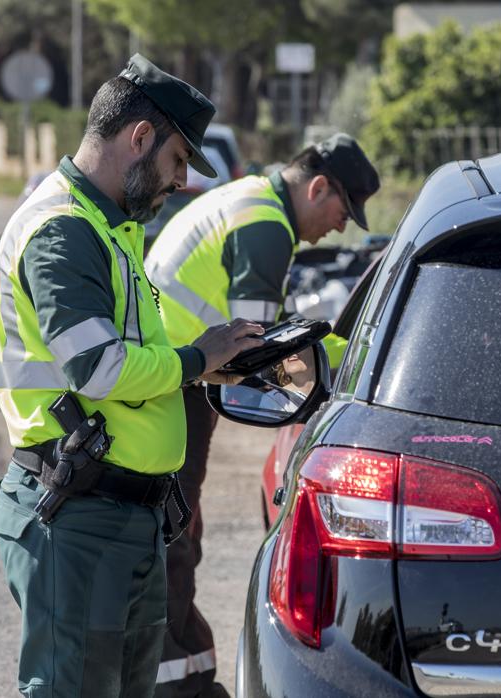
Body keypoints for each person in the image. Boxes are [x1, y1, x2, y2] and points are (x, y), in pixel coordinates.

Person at [0, 53, 266, 698]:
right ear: (139, 137)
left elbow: (144, 352)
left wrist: (209, 366)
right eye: (176, 161)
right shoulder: (64, 231)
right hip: (78, 518)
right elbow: (98, 366)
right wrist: (198, 359)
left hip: (123, 518)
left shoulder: (112, 229)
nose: (179, 182)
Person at [144, 133, 379, 697]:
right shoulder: (267, 226)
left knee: (179, 531)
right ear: (318, 186)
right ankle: (175, 686)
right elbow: (260, 353)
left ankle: (182, 674)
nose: (341, 228)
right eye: (342, 211)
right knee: (175, 538)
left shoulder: (249, 197)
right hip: (175, 389)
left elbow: (265, 333)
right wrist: (347, 375)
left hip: (166, 377)